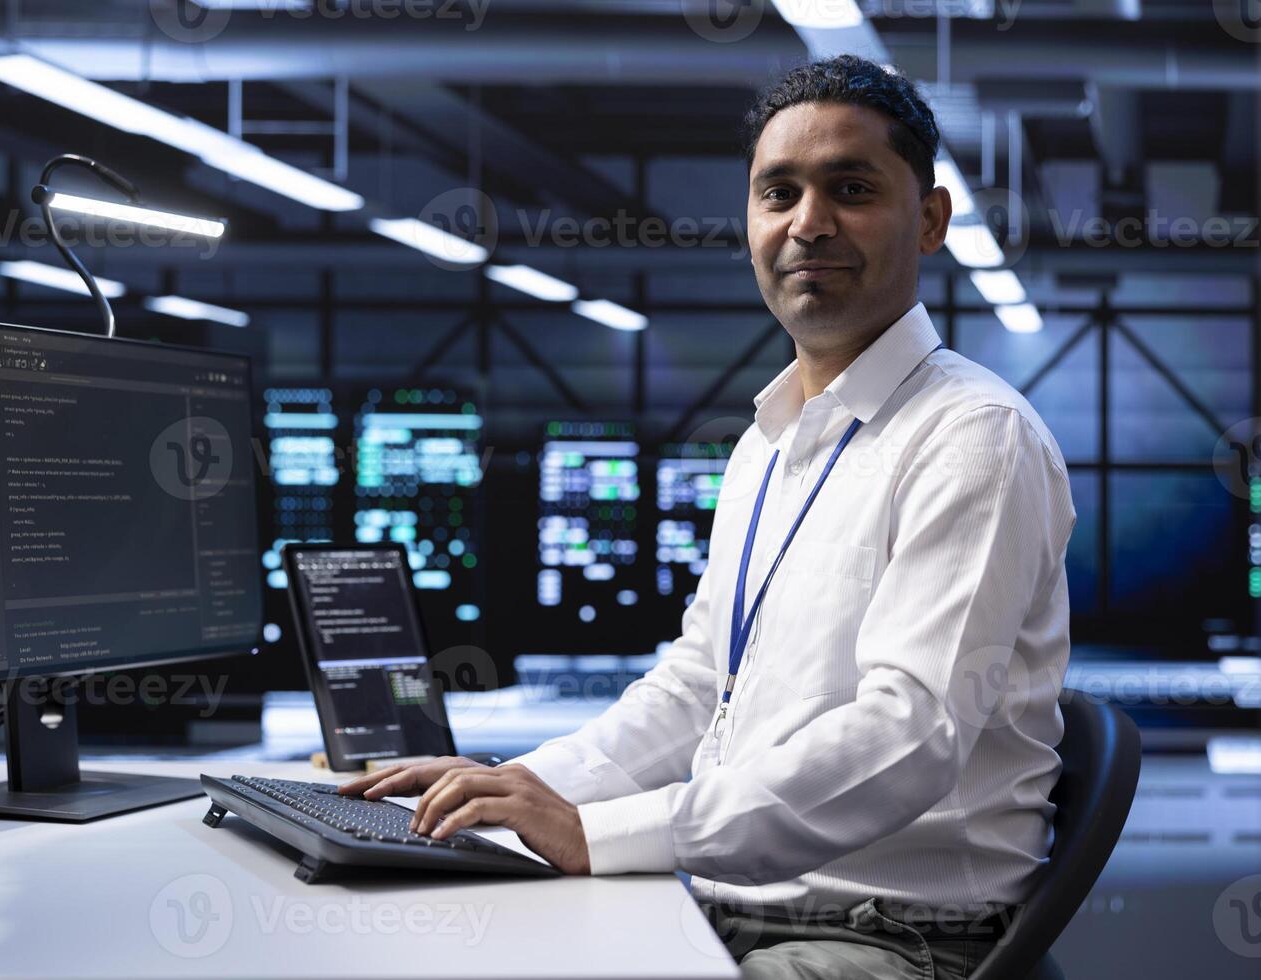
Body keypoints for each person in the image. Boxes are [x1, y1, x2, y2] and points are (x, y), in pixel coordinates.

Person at [341, 53, 1075, 980]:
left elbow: (910, 734)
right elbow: (697, 687)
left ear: (929, 219)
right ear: (750, 222)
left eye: (851, 188)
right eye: (779, 194)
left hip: (889, 934)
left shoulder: (975, 436)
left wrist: (599, 835)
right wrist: (525, 786)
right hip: (731, 903)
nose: (810, 224)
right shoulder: (767, 444)